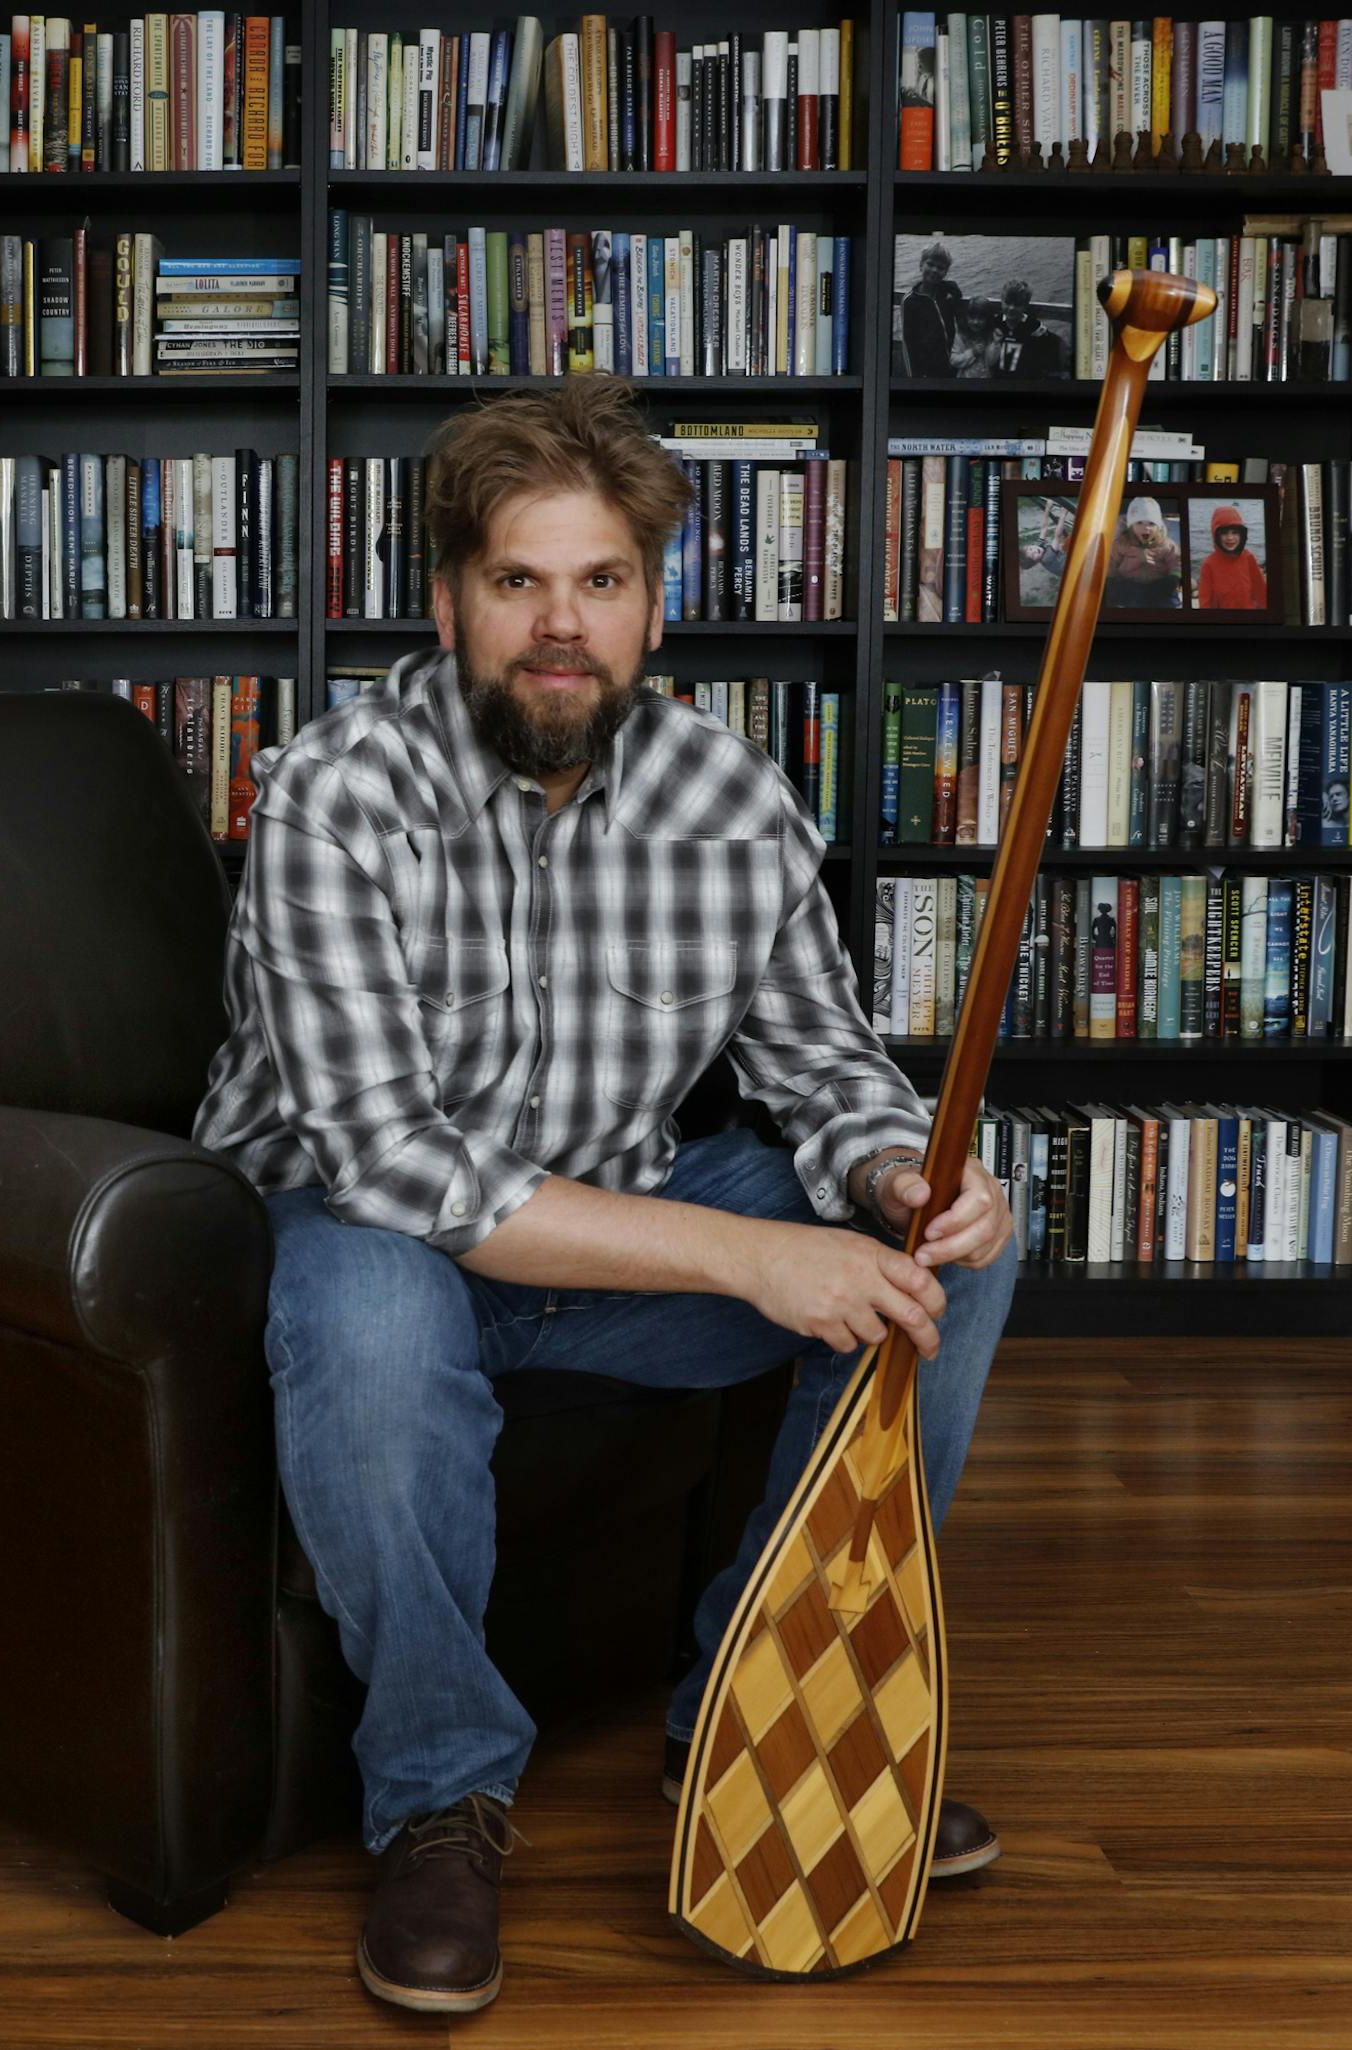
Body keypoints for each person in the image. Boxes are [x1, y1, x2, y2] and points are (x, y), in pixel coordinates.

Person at [193, 378, 1016, 2019]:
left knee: (957, 1237)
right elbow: (394, 1171)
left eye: (599, 582)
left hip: (611, 1241)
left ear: (653, 602)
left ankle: (744, 1707)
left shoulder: (726, 799)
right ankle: (438, 1791)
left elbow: (823, 1061)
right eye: (517, 582)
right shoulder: (334, 794)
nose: (558, 628)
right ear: (448, 602)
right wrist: (744, 1255)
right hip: (362, 1253)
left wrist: (887, 1168)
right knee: (366, 1293)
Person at [1105, 495, 1181, 608]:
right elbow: (1111, 562)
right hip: (1129, 585)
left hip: (1158, 585)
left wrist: (1173, 578)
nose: (1146, 528)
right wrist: (1110, 580)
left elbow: (1177, 562)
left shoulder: (1166, 545)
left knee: (1169, 601)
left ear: (1158, 526)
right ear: (1131, 526)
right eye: (1139, 522)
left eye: (1151, 523)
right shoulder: (1122, 543)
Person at [900, 242, 964, 376]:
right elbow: (907, 342)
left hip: (951, 364)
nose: (935, 270)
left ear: (945, 272)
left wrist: (953, 291)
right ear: (921, 265)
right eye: (930, 264)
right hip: (927, 371)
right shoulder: (910, 301)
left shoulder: (948, 290)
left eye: (940, 267)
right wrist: (914, 377)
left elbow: (957, 296)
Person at [1196, 504, 1269, 611]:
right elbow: (1205, 603)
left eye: (1235, 532)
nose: (1230, 538)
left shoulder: (1249, 558)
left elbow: (1262, 593)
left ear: (1242, 535)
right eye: (1224, 533)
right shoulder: (1208, 565)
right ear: (1216, 535)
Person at [994, 279, 1067, 376]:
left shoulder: (1033, 326)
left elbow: (1058, 343)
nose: (1011, 308)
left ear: (1025, 306)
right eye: (1007, 303)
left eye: (1017, 304)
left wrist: (1060, 370)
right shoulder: (996, 322)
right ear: (1001, 301)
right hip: (1000, 378)